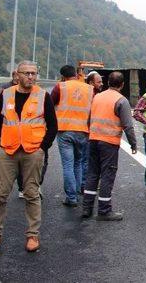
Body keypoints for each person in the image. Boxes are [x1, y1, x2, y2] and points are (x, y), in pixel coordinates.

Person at [0, 61, 58, 254]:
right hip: (7, 151)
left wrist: (42, 148)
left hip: (33, 151)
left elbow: (53, 125)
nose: (31, 77)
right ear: (17, 75)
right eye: (27, 73)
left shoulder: (43, 96)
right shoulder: (5, 94)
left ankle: (32, 235)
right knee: (0, 194)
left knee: (31, 193)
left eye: (34, 73)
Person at [82, 71, 137, 221]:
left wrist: (90, 134)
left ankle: (87, 208)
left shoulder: (97, 97)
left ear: (108, 83)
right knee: (107, 175)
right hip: (109, 143)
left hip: (93, 139)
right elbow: (128, 126)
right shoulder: (121, 100)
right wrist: (133, 143)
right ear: (122, 84)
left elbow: (89, 119)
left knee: (92, 173)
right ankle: (104, 210)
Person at [53, 65, 94, 207]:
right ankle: (77, 191)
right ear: (76, 74)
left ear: (63, 76)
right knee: (78, 163)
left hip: (65, 130)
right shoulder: (89, 89)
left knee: (68, 165)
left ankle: (71, 197)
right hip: (83, 130)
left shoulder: (60, 87)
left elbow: (50, 105)